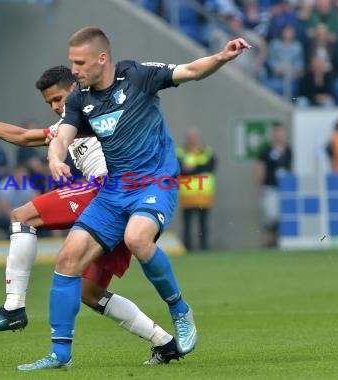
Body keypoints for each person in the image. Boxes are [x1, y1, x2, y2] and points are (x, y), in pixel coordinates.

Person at [16, 27, 251, 371]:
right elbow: (61, 135)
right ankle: (60, 355)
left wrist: (221, 57)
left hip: (155, 182)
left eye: (79, 63)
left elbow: (188, 71)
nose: (75, 70)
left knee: (137, 238)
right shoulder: (80, 98)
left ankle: (180, 311)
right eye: (72, 62)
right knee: (67, 260)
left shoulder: (138, 76)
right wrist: (54, 158)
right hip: (115, 191)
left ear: (102, 59)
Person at [0, 65, 182, 365]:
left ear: (76, 87)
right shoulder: (69, 124)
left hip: (108, 192)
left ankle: (13, 307)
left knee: (22, 215)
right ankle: (165, 343)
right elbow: (21, 136)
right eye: (49, 103)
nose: (56, 107)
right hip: (118, 210)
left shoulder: (98, 110)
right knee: (90, 293)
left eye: (59, 98)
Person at [177, 128, 216, 251]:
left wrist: (191, 169)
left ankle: (203, 247)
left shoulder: (207, 152)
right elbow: (177, 169)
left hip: (204, 196)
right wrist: (197, 169)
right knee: (187, 226)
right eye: (191, 137)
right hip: (187, 196)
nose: (193, 139)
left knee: (203, 225)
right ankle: (188, 248)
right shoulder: (180, 152)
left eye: (195, 136)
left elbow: (210, 166)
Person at [255, 123, 293, 248]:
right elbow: (260, 168)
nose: (278, 135)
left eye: (280, 132)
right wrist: (259, 185)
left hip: (284, 189)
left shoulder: (288, 150)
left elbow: (291, 168)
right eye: (276, 132)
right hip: (270, 188)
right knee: (271, 215)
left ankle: (280, 241)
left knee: (284, 216)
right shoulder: (266, 151)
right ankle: (269, 241)